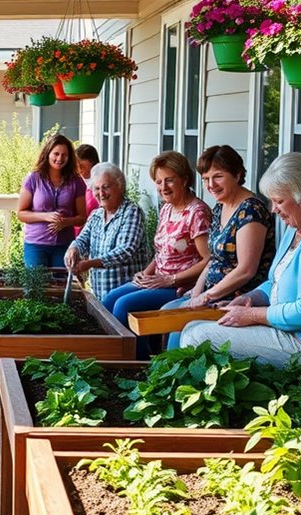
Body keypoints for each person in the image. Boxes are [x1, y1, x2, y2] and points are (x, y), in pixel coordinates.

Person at [179, 153, 301, 377]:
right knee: (192, 326)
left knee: (197, 337)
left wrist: (252, 315)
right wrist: (250, 298)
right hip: (300, 332)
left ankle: (203, 408)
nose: (273, 209)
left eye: (279, 201)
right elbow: (276, 281)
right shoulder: (299, 224)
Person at [162, 145, 276, 348]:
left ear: (237, 174)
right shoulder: (220, 206)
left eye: (218, 176)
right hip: (212, 291)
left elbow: (246, 270)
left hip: (237, 298)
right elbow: (214, 257)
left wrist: (207, 296)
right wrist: (197, 292)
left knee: (177, 330)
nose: (210, 185)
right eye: (205, 178)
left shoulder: (251, 210)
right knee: (165, 313)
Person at [102, 151, 211, 358]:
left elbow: (208, 260)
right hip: (157, 278)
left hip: (181, 286)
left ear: (185, 179)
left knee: (124, 305)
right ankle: (114, 357)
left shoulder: (197, 213)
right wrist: (145, 273)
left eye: (169, 180)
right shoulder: (167, 208)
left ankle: (137, 365)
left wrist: (170, 279)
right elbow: (161, 253)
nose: (163, 187)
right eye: (159, 182)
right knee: (109, 300)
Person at [64, 162, 149, 301]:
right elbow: (82, 239)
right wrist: (73, 249)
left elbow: (126, 250)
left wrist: (90, 263)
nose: (101, 194)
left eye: (106, 187)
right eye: (96, 188)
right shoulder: (96, 215)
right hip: (100, 293)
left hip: (126, 295)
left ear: (120, 186)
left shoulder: (131, 211)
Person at [18, 134, 87, 267]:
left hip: (64, 244)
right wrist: (46, 216)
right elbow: (21, 214)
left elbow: (82, 218)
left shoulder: (76, 182)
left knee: (60, 285)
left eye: (64, 155)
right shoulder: (33, 179)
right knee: (36, 286)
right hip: (35, 245)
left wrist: (65, 222)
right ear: (48, 153)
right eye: (56, 153)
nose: (60, 158)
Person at [74, 143, 101, 236]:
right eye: (77, 165)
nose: (79, 169)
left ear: (92, 162)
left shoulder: (100, 183)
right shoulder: (76, 181)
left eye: (82, 165)